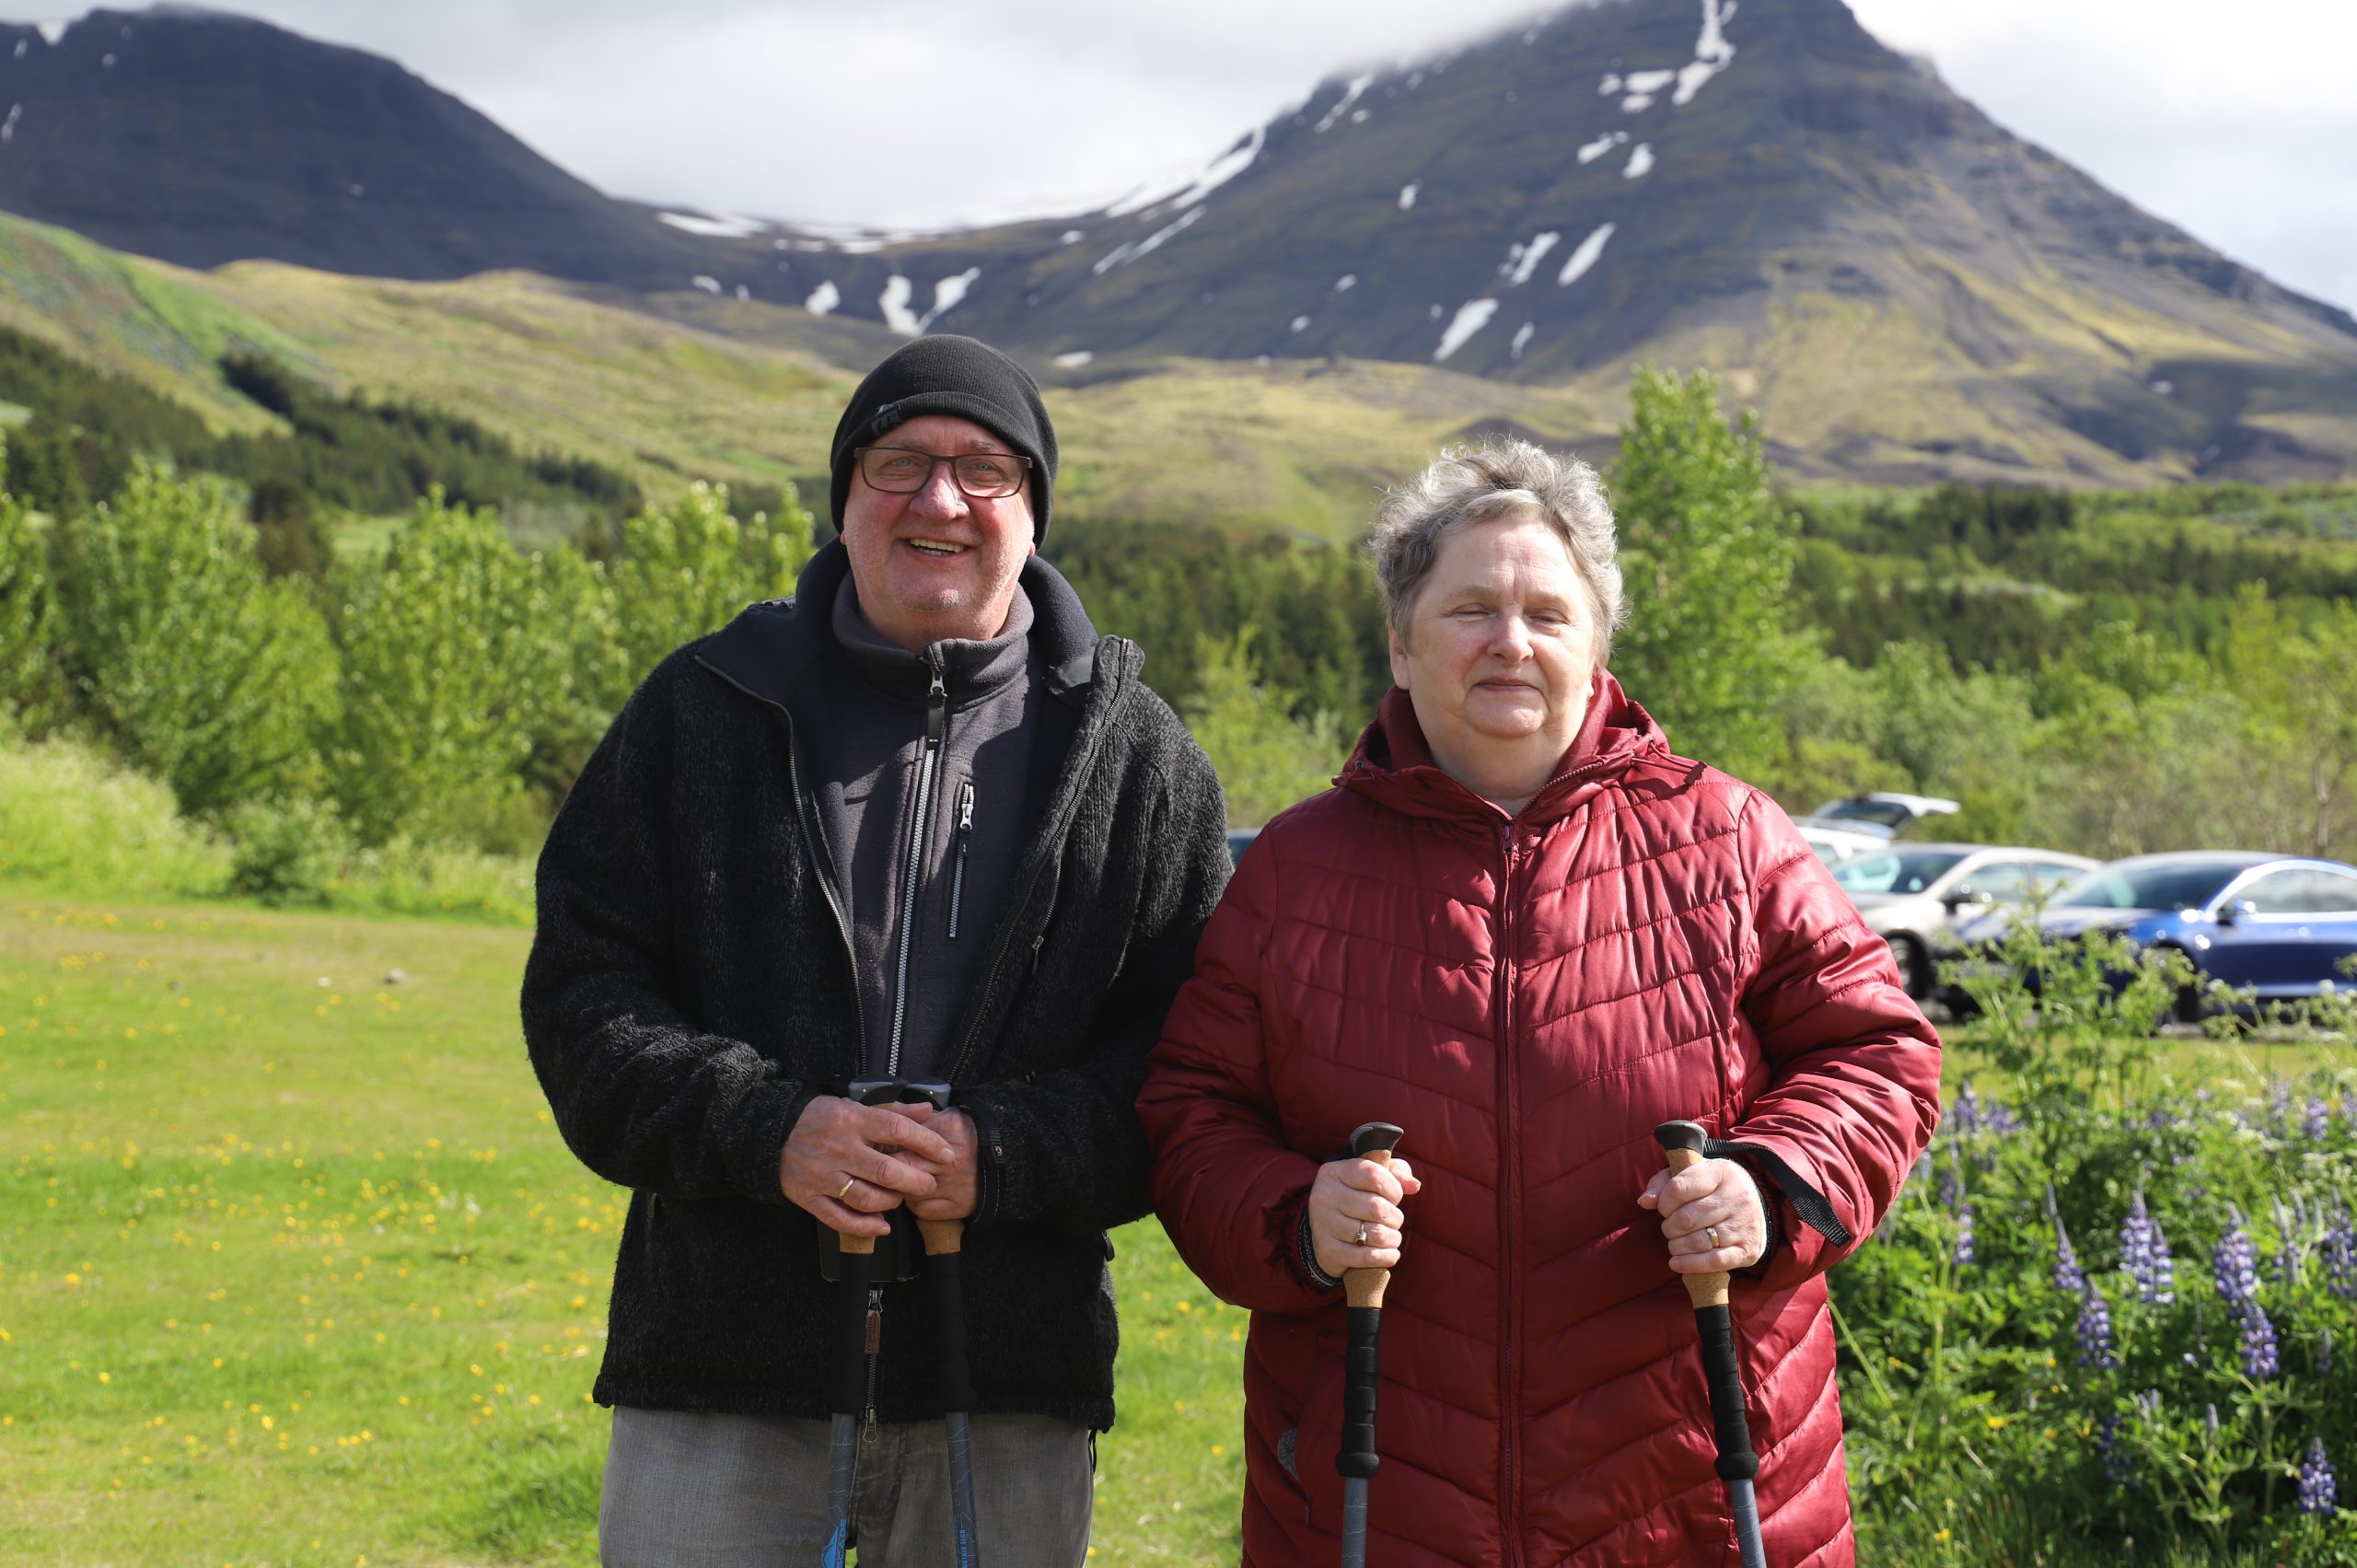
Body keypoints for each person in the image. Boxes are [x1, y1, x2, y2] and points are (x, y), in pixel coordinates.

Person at [1139, 438, 1941, 1566]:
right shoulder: (1293, 868)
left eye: (1547, 613)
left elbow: (1878, 1052)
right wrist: (1294, 1216)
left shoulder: (1730, 836)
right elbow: (1191, 1111)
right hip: (1378, 1496)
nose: (1510, 640)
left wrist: (1768, 1184)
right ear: (1400, 643)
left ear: (1596, 642)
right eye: (1470, 608)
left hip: (1694, 1495)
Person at [523, 334, 1231, 1566]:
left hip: (1006, 1384)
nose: (939, 499)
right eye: (898, 462)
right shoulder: (705, 707)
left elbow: (1192, 1061)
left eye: (984, 469)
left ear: (1033, 509)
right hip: (721, 1375)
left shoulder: (1136, 757)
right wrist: (771, 1128)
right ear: (845, 497)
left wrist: (998, 1154)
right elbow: (585, 996)